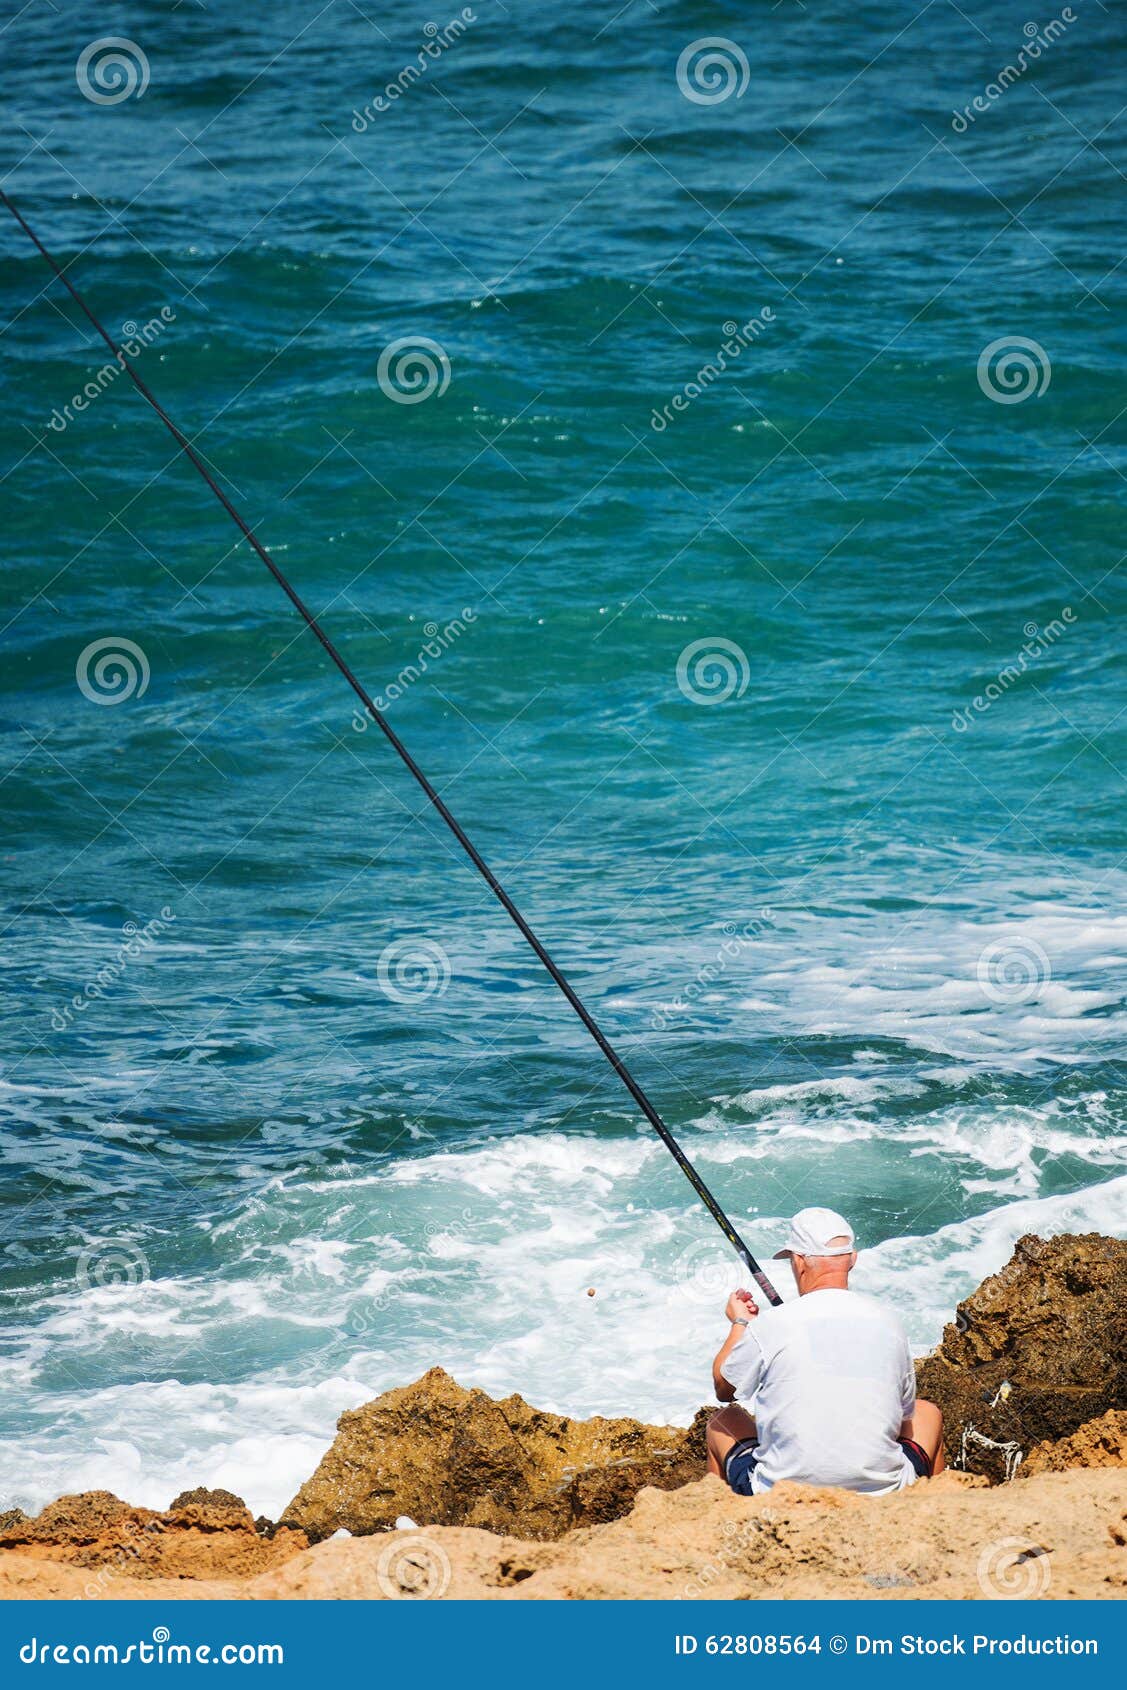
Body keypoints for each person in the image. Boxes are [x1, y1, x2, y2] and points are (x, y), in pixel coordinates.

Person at [706, 1206, 945, 1496]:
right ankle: (935, 1508)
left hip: (779, 1495)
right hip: (882, 1494)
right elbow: (903, 1414)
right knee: (926, 1413)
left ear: (798, 1262)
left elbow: (724, 1388)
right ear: (852, 1260)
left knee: (723, 1420)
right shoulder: (890, 1323)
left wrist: (741, 1323)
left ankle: (719, 1522)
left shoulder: (771, 1325)